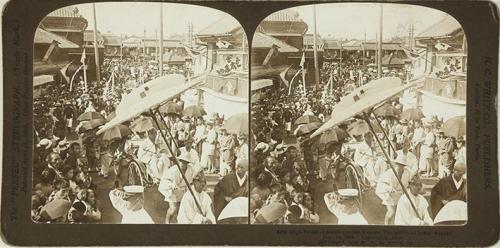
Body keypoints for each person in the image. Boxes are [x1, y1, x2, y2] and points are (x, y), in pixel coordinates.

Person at [158, 152, 197, 224]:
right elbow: (165, 179)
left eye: (185, 162)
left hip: (183, 191)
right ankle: (167, 222)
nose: (183, 163)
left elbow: (192, 181)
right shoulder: (174, 169)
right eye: (181, 161)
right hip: (172, 190)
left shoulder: (190, 170)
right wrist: (171, 185)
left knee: (183, 209)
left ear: (187, 162)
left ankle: (179, 222)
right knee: (173, 209)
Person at [375, 154, 413, 225]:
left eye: (402, 165)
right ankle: (386, 225)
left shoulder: (407, 173)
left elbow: (409, 183)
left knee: (402, 212)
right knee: (391, 212)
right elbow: (381, 184)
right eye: (399, 164)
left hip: (400, 195)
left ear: (404, 166)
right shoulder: (390, 173)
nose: (400, 166)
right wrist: (389, 188)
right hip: (390, 195)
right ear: (396, 164)